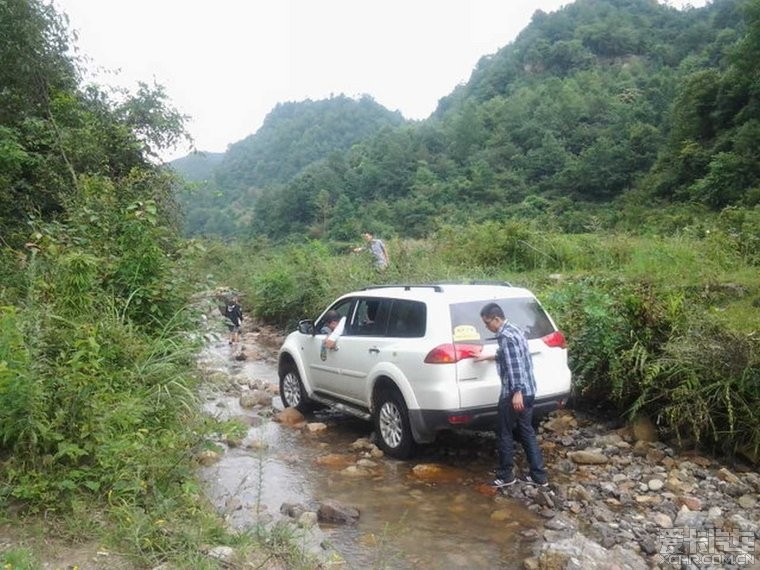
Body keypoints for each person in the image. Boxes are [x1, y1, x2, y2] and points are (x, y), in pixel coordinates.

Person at [474, 302, 549, 488]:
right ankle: (539, 476)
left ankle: (506, 475)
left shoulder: (505, 336)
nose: (487, 327)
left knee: (504, 432)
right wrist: (488, 357)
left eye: (487, 323)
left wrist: (517, 392)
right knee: (527, 432)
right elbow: (512, 357)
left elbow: (515, 367)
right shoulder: (514, 330)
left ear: (497, 319)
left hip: (514, 393)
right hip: (529, 391)